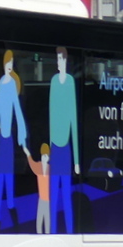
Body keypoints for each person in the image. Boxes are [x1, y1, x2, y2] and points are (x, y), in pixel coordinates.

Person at [0, 49, 28, 228]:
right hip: (2, 139)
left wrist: (23, 136)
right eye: (7, 65)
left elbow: (17, 109)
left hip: (8, 140)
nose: (8, 68)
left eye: (11, 65)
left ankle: (10, 213)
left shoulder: (12, 85)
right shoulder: (3, 82)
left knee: (7, 178)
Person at [49, 47, 80, 233]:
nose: (59, 63)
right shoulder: (53, 81)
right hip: (56, 148)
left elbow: (73, 120)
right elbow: (51, 115)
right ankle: (52, 232)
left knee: (66, 198)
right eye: (57, 59)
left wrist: (76, 160)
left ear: (66, 61)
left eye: (62, 59)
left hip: (66, 149)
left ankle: (69, 233)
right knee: (53, 197)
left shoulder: (70, 82)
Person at [25, 143, 51, 233]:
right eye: (43, 155)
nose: (45, 157)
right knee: (39, 220)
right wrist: (27, 153)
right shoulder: (38, 167)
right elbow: (31, 162)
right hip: (41, 200)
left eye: (47, 156)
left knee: (47, 221)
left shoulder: (50, 169)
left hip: (48, 200)